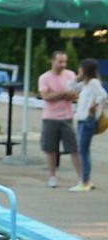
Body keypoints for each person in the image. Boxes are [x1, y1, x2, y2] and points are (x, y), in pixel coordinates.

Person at [38, 50, 81, 188]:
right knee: (51, 149)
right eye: (60, 61)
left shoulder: (70, 75)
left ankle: (81, 177)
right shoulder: (44, 77)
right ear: (52, 61)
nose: (63, 64)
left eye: (64, 62)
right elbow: (46, 96)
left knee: (74, 148)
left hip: (67, 116)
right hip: (50, 117)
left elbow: (74, 95)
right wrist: (63, 93)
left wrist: (59, 95)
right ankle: (52, 176)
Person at [71, 58, 106, 192]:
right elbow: (70, 86)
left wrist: (94, 104)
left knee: (83, 151)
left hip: (87, 120)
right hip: (82, 120)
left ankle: (85, 181)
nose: (78, 70)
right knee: (83, 151)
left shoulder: (93, 83)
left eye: (80, 68)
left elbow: (103, 95)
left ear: (85, 69)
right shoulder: (85, 84)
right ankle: (86, 180)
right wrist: (77, 78)